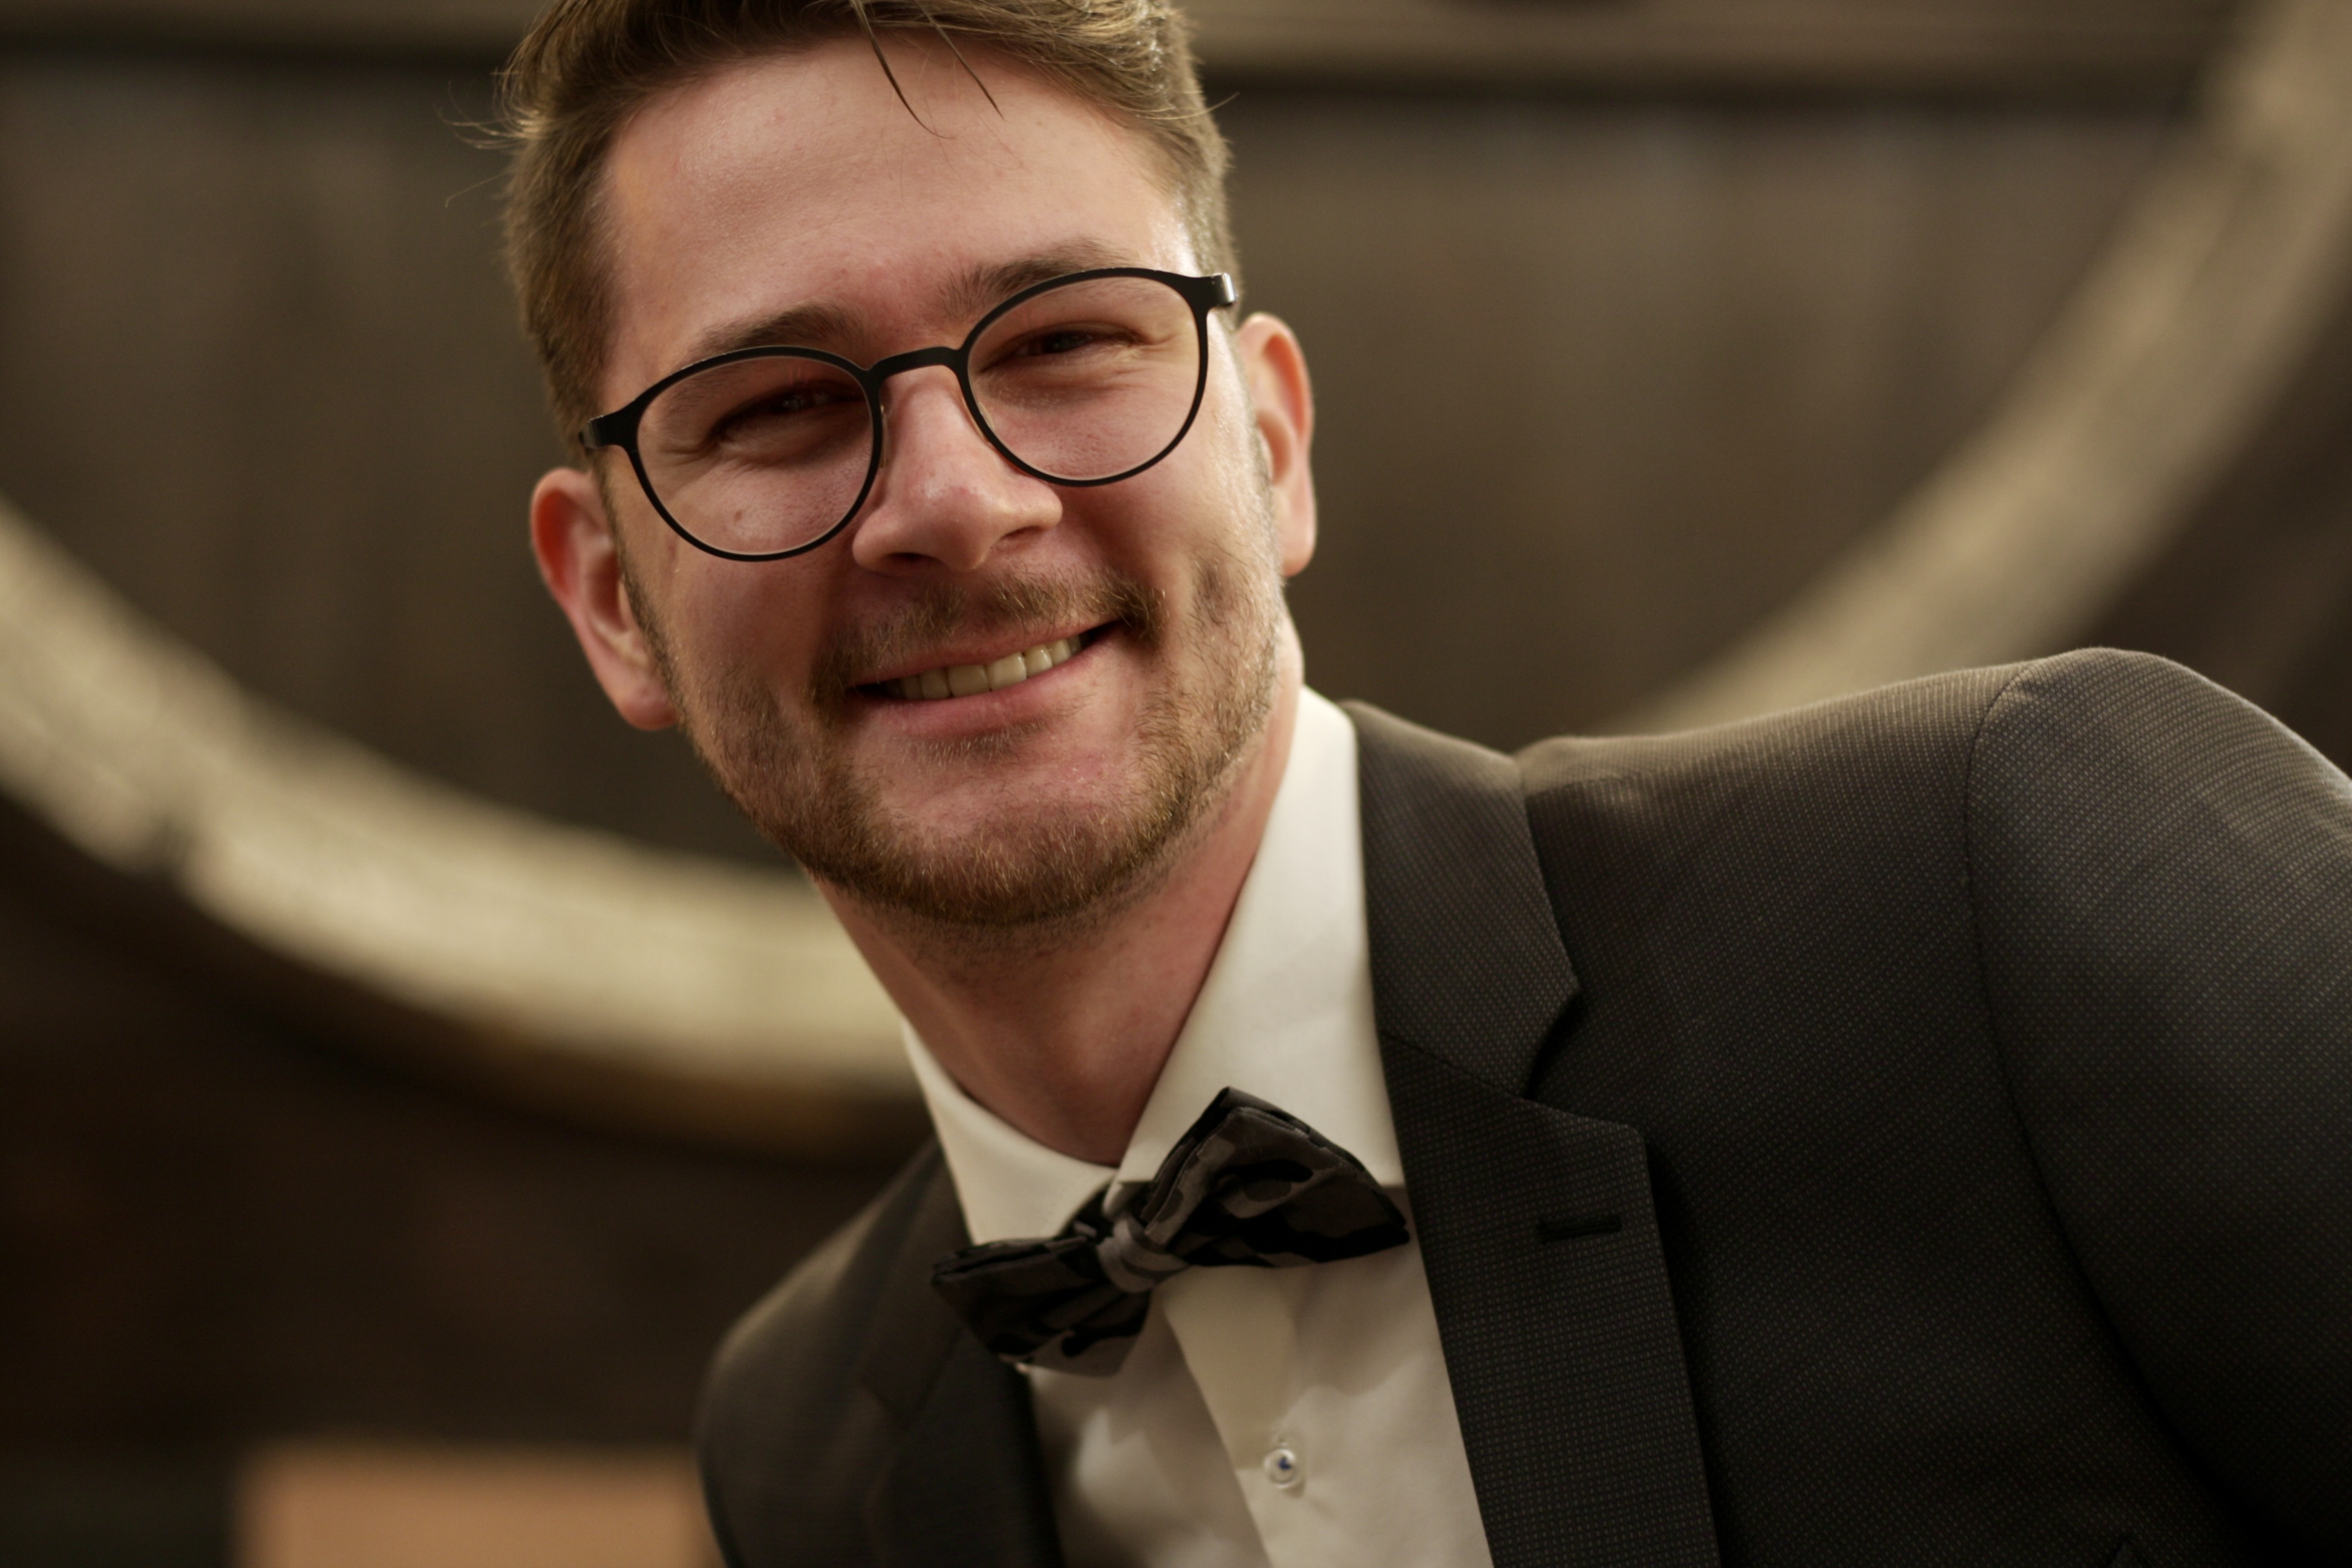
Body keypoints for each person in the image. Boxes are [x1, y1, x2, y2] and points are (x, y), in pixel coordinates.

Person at [500, 2, 2352, 1563]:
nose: (958, 503)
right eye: (776, 407)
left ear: (1272, 442)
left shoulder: (2008, 889)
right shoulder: (803, 1452)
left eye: (1064, 341)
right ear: (611, 603)